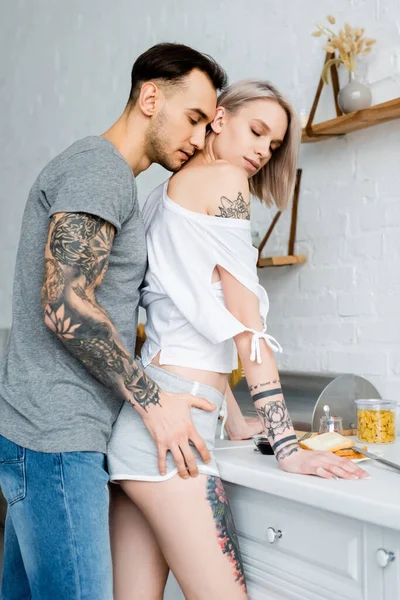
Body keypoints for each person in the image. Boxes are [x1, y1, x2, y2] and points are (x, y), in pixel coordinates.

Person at [108, 79, 369, 600]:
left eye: (272, 146)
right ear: (220, 118)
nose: (260, 151)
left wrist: (233, 415)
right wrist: (288, 448)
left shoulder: (165, 194)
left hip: (143, 427)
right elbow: (247, 325)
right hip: (175, 437)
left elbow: (187, 325)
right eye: (256, 131)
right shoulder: (225, 182)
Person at [0, 43, 227, 600]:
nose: (198, 139)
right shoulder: (99, 168)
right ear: (151, 97)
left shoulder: (111, 178)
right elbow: (65, 306)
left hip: (50, 435)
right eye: (194, 118)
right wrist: (157, 405)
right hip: (58, 438)